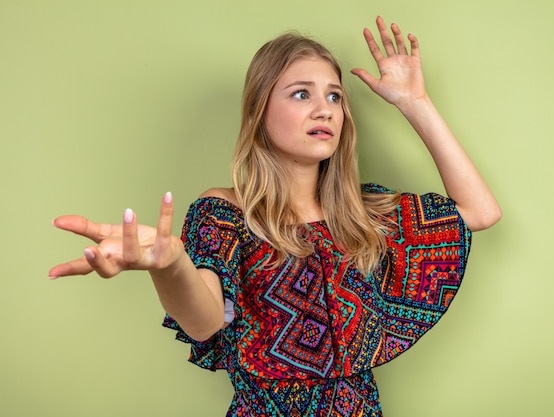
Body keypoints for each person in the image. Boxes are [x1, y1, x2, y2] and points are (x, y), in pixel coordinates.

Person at [49, 16, 501, 417]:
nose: (324, 108)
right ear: (259, 111)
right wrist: (171, 266)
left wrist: (415, 102)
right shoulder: (226, 212)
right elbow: (206, 321)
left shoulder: (364, 216)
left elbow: (480, 211)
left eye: (334, 96)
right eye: (301, 94)